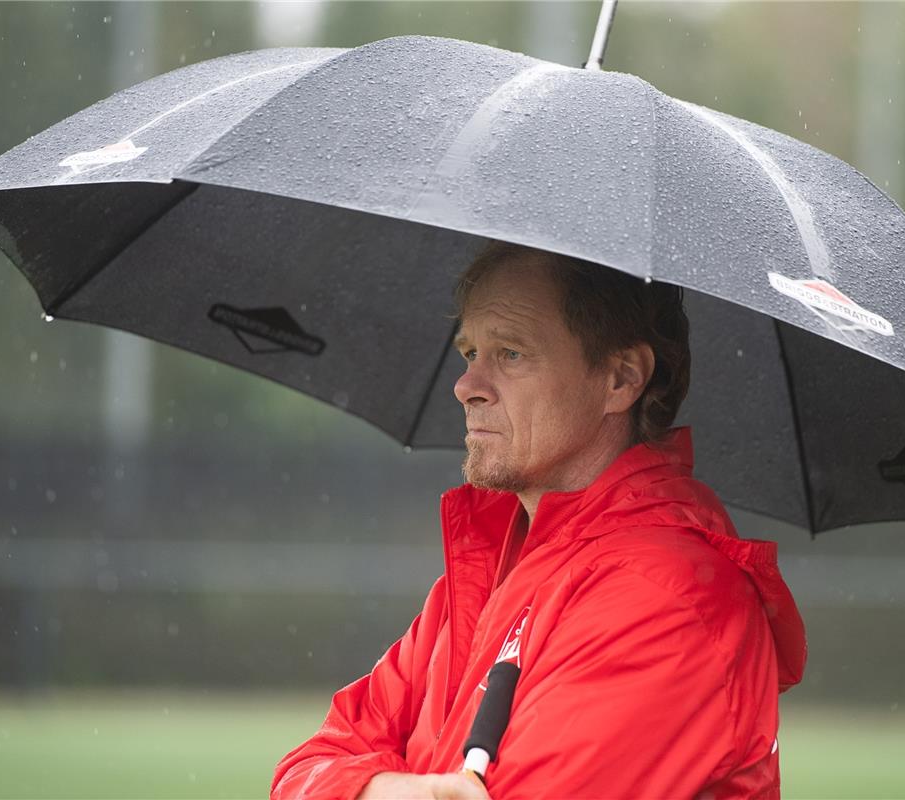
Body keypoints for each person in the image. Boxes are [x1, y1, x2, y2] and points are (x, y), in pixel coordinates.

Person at [270, 241, 807, 800]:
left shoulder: (668, 597)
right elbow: (310, 762)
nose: (466, 387)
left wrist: (371, 781)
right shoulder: (490, 566)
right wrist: (379, 792)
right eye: (469, 353)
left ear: (621, 378)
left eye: (511, 354)